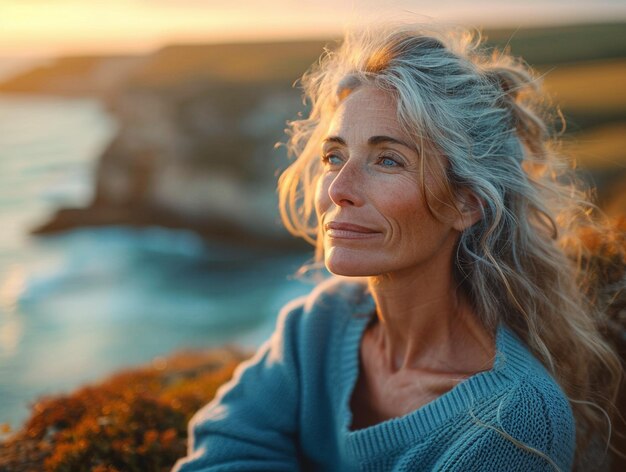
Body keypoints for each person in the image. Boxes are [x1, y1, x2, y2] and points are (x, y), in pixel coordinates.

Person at [173, 23, 623, 471]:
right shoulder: (318, 326)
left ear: (466, 203)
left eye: (388, 159)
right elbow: (219, 450)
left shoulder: (512, 422)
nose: (338, 190)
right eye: (334, 156)